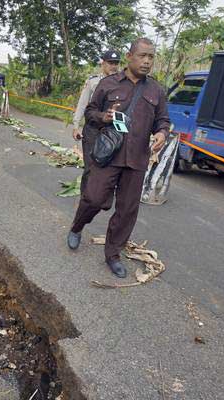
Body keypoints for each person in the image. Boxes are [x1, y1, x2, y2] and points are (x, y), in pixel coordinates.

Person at [67, 38, 170, 278]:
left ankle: (112, 254)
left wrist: (162, 133)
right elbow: (90, 112)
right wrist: (104, 116)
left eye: (151, 57)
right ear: (129, 56)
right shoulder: (108, 84)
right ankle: (77, 226)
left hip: (136, 159)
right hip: (109, 154)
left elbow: (162, 119)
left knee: (127, 210)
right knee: (93, 197)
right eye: (142, 55)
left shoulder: (156, 90)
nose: (146, 61)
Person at [72, 49, 121, 192]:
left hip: (111, 131)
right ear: (103, 63)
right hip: (92, 129)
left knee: (107, 165)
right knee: (90, 166)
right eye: (110, 63)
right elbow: (83, 104)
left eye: (116, 63)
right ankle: (85, 196)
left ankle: (100, 194)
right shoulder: (93, 81)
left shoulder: (122, 83)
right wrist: (76, 125)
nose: (113, 66)